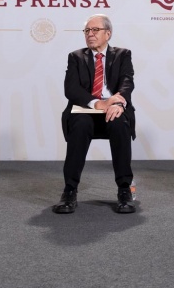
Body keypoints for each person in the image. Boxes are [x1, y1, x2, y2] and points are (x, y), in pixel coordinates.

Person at [53, 14, 136, 214]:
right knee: (80, 125)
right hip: (86, 110)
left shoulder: (123, 54)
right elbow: (71, 89)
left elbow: (127, 82)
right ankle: (69, 190)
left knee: (118, 122)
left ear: (108, 33)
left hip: (113, 108)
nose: (90, 34)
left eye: (95, 30)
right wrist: (98, 103)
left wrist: (117, 102)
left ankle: (124, 189)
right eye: (87, 31)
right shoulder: (76, 57)